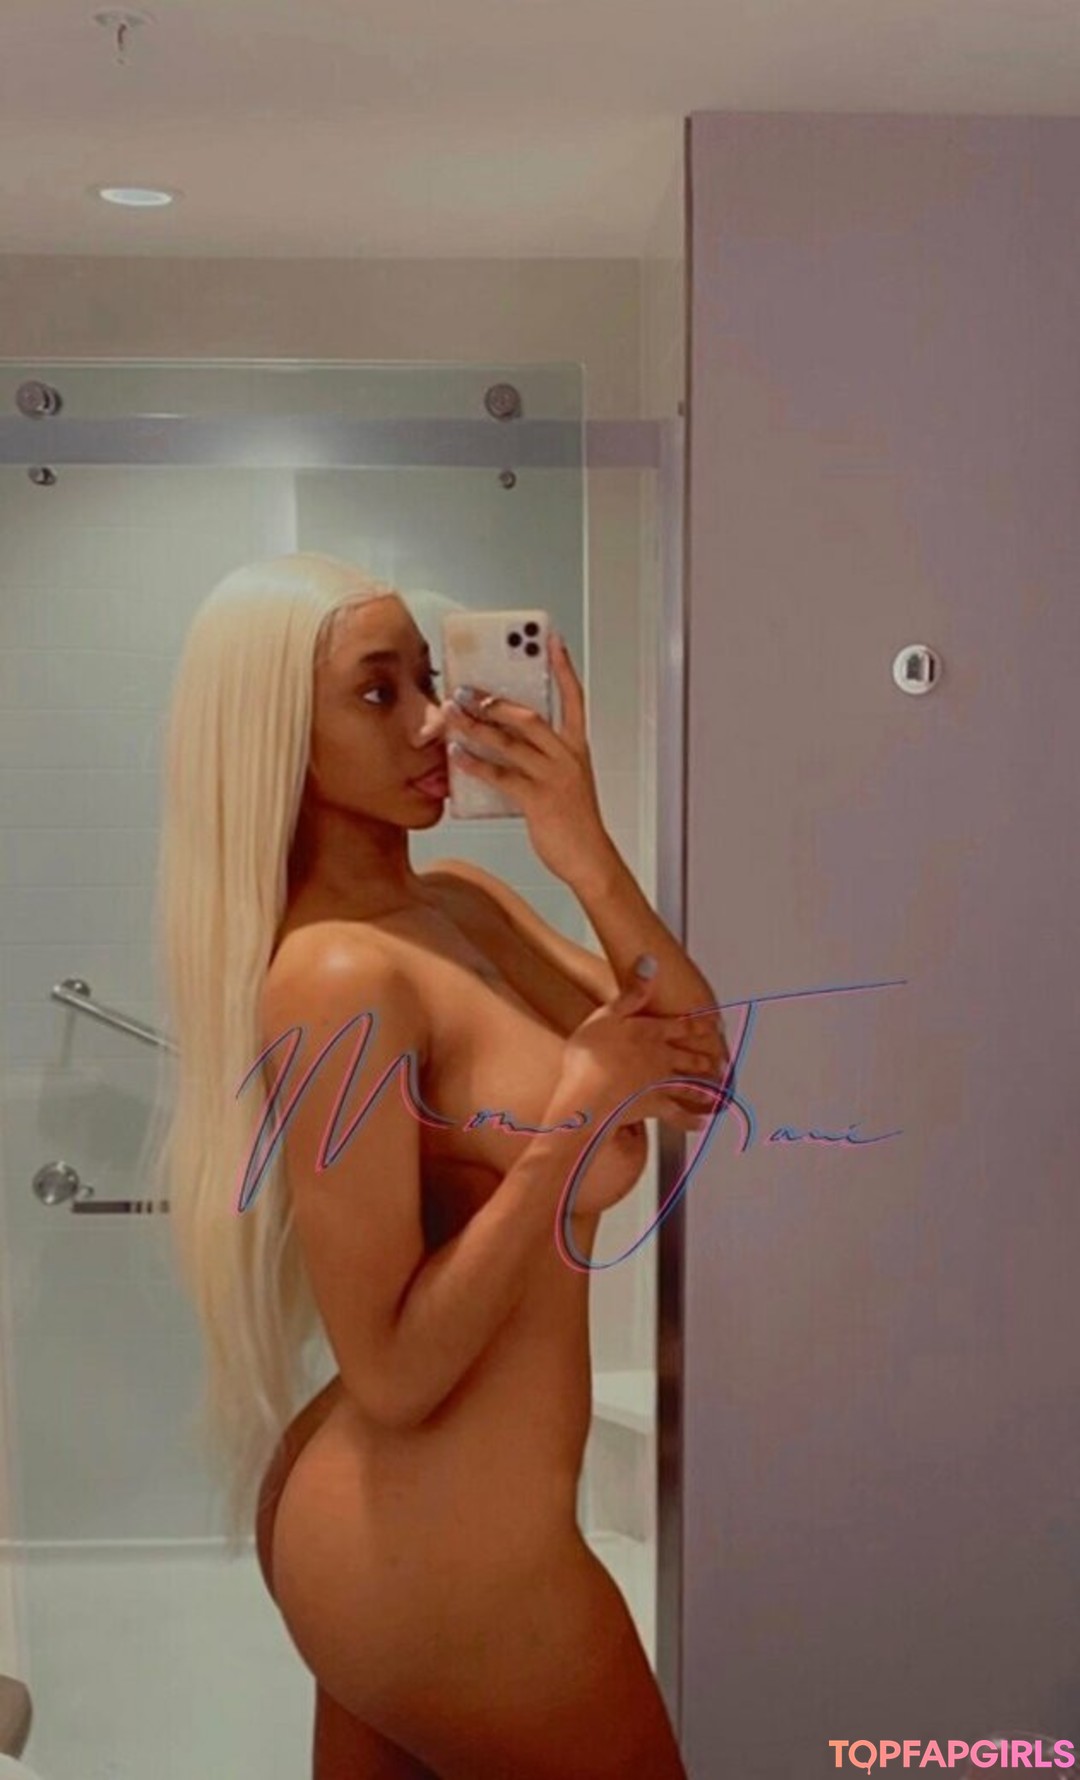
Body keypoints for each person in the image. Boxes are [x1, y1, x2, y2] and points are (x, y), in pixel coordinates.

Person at [155, 551, 729, 1779]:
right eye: (378, 692)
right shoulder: (334, 976)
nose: (432, 719)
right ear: (280, 735)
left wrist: (582, 850)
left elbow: (698, 1073)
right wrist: (576, 1119)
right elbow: (394, 1372)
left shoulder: (457, 903)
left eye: (427, 677)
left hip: (423, 1533)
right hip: (439, 1557)